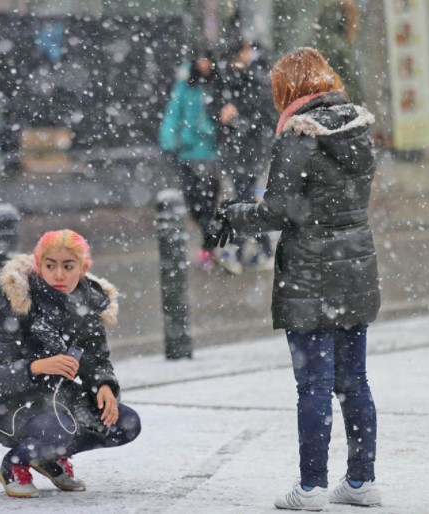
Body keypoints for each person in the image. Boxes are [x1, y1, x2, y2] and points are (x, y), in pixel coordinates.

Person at [213, 48, 382, 510]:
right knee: (354, 381)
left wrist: (234, 214)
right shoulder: (357, 130)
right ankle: (362, 480)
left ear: (288, 89)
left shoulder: (299, 136)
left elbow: (278, 211)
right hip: (356, 266)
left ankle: (311, 487)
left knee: (313, 385)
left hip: (309, 274)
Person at [0, 229, 141, 498]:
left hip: (58, 397)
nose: (59, 275)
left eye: (68, 266)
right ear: (39, 265)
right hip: (8, 401)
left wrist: (104, 386)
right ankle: (15, 464)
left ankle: (48, 455)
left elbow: (97, 361)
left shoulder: (88, 304)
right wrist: (37, 366)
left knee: (126, 422)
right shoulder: (18, 303)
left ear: (83, 268)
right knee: (59, 428)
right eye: (50, 266)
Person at [211, 38, 277, 274]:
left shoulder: (258, 78)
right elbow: (216, 108)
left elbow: (266, 119)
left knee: (244, 201)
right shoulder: (228, 79)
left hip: (251, 151)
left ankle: (236, 252)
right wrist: (222, 114)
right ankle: (263, 250)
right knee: (245, 202)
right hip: (236, 151)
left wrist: (237, 119)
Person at [158, 51, 220, 269]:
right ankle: (209, 245)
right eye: (201, 59)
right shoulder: (185, 88)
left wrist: (211, 130)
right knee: (194, 203)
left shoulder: (217, 86)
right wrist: (169, 142)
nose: (204, 64)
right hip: (188, 153)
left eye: (208, 60)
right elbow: (173, 114)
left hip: (211, 154)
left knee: (209, 204)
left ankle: (208, 247)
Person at [310, 0, 364, 106]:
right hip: (340, 111)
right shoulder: (340, 48)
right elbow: (352, 91)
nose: (358, 28)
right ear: (347, 21)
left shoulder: (313, 44)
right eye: (355, 20)